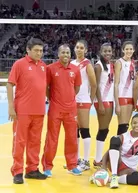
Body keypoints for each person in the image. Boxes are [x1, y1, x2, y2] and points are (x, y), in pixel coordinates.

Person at [7, 38, 48, 184]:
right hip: (22, 111)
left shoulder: (44, 66)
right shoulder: (19, 64)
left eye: (41, 51)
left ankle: (32, 169)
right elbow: (10, 85)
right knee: (20, 141)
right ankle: (17, 171)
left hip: (39, 111)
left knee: (35, 141)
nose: (39, 53)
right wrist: (11, 107)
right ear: (28, 50)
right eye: (36, 50)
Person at [41, 44, 82, 177]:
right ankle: (47, 166)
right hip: (55, 109)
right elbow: (46, 87)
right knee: (52, 138)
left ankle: (72, 165)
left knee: (71, 138)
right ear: (58, 54)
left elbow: (76, 88)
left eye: (68, 53)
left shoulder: (75, 69)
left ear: (71, 55)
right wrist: (53, 99)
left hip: (71, 109)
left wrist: (69, 99)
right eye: (63, 52)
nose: (66, 55)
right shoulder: (50, 69)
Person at [101, 113, 138, 188]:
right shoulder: (124, 136)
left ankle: (110, 179)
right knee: (114, 139)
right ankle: (114, 176)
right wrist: (104, 169)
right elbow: (108, 152)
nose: (137, 125)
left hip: (129, 169)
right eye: (134, 123)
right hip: (118, 163)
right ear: (131, 124)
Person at [71, 40, 97, 171]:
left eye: (82, 48)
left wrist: (90, 100)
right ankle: (76, 159)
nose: (79, 49)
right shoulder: (71, 64)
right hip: (72, 101)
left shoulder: (87, 64)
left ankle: (86, 161)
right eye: (77, 47)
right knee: (74, 131)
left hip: (83, 101)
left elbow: (94, 84)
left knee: (84, 130)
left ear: (86, 50)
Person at [93, 43, 114, 168]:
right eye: (105, 51)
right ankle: (97, 159)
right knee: (103, 129)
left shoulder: (110, 65)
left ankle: (98, 158)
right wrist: (100, 103)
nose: (107, 53)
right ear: (100, 52)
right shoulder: (98, 66)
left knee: (105, 129)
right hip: (103, 101)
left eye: (109, 51)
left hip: (110, 100)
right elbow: (96, 86)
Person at [114, 41, 135, 135]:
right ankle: (116, 148)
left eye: (131, 49)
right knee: (122, 126)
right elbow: (116, 84)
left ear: (134, 50)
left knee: (126, 126)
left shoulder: (133, 63)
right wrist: (117, 103)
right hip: (122, 97)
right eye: (127, 49)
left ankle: (123, 148)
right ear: (123, 50)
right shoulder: (119, 62)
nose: (129, 51)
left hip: (131, 97)